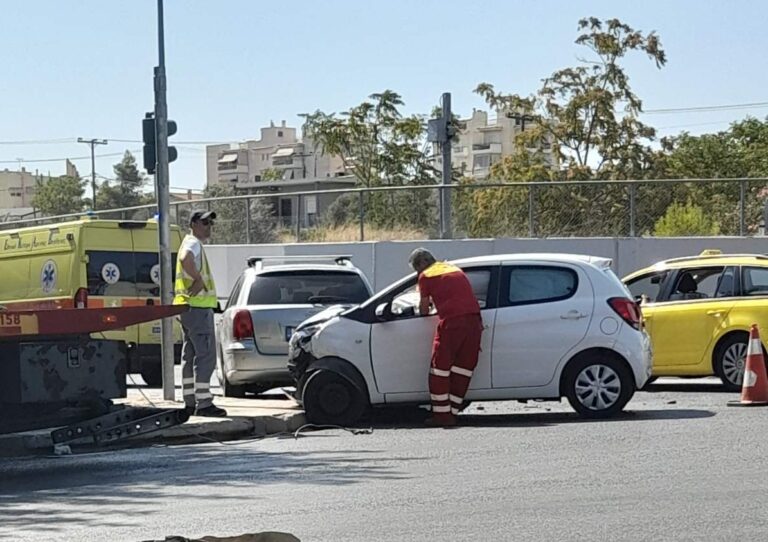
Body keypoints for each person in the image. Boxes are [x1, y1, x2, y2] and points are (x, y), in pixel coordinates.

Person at [409, 248, 483, 427]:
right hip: (474, 322)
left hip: (452, 323)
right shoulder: (454, 269)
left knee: (439, 370)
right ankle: (453, 411)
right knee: (463, 368)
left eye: (416, 270)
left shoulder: (426, 275)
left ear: (421, 265)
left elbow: (424, 307)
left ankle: (442, 417)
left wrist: (421, 313)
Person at [173, 210, 227, 417]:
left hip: (187, 308)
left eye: (210, 223)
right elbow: (187, 259)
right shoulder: (193, 243)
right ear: (194, 224)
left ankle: (190, 402)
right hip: (197, 308)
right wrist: (198, 279)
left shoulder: (189, 242)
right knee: (206, 356)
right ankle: (204, 403)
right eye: (204, 222)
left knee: (190, 355)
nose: (208, 226)